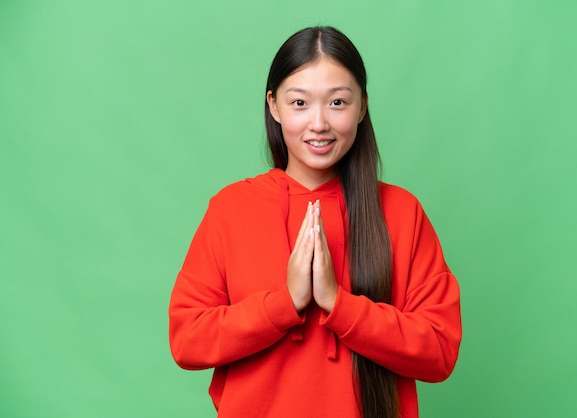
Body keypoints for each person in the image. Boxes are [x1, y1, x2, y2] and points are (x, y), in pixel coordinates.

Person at [169, 26, 462, 418]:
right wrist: (283, 304)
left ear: (362, 106)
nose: (319, 123)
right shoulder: (231, 208)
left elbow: (440, 351)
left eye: (338, 102)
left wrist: (339, 305)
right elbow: (187, 340)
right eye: (300, 103)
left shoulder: (401, 212)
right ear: (274, 106)